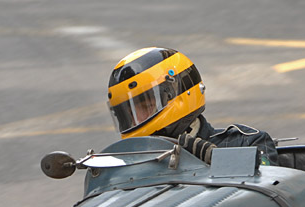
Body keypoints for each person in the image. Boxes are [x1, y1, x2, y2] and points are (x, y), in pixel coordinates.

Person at [107, 47, 279, 166]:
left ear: (180, 96)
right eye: (130, 113)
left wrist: (216, 160)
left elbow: (270, 183)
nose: (138, 118)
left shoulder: (246, 142)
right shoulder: (126, 163)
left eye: (146, 105)